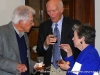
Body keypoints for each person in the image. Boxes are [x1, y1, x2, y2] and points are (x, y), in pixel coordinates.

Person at [36, 0, 81, 75]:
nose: (51, 14)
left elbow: (81, 48)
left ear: (61, 9)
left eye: (54, 11)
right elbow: (39, 51)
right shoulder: (44, 26)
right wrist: (45, 44)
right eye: (48, 11)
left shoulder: (73, 24)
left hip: (68, 67)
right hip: (50, 69)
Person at [0, 5, 43, 75]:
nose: (33, 24)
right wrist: (15, 66)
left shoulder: (24, 34)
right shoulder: (2, 33)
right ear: (21, 22)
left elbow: (24, 59)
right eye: (31, 21)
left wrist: (36, 66)